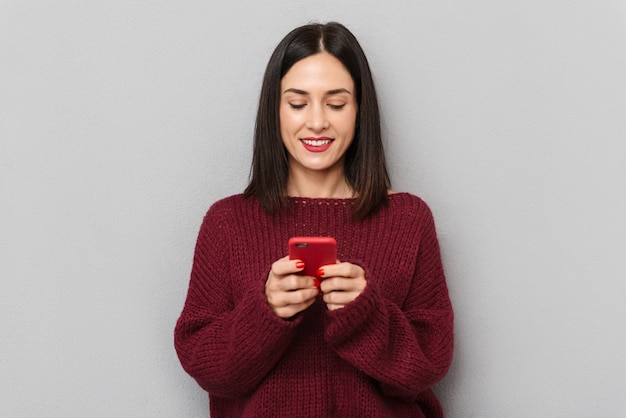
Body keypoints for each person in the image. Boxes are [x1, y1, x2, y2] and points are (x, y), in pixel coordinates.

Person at [174, 22, 454, 417]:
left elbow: (428, 365)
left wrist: (367, 316)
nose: (318, 121)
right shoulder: (227, 222)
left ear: (359, 110)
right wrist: (266, 311)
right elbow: (205, 364)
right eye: (298, 103)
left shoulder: (409, 219)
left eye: (336, 104)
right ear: (275, 110)